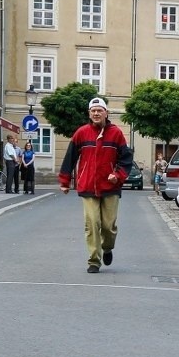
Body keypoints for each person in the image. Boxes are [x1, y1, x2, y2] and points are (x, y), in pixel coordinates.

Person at [59, 98, 133, 274]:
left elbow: (126, 159)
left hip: (110, 187)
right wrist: (65, 181)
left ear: (106, 113)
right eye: (93, 111)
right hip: (88, 186)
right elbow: (70, 157)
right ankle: (94, 260)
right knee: (92, 223)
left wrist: (117, 175)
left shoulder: (116, 134)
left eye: (100, 110)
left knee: (108, 226)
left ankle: (107, 247)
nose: (96, 113)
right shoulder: (82, 133)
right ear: (89, 114)